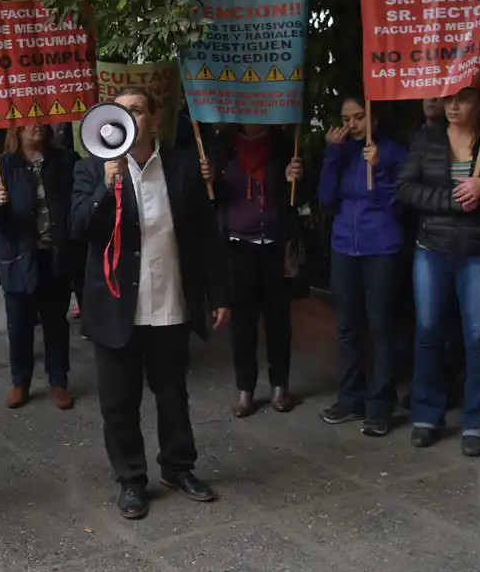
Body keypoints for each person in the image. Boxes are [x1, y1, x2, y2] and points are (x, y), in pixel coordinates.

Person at [71, 87, 232, 520]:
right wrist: (106, 189)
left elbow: (204, 236)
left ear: (154, 120)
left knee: (172, 394)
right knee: (119, 403)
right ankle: (130, 480)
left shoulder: (180, 167)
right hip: (115, 307)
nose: (129, 118)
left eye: (137, 110)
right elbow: (79, 227)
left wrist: (217, 293)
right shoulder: (89, 168)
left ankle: (178, 467)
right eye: (120, 112)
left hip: (168, 303)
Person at [396, 87, 480, 457]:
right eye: (447, 99)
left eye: (463, 99)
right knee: (427, 331)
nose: (452, 107)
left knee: (479, 335)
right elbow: (405, 188)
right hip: (431, 248)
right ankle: (427, 413)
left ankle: (476, 421)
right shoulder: (427, 137)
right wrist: (451, 201)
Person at [318, 95, 408, 435]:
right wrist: (332, 154)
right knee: (347, 325)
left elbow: (398, 202)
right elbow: (326, 198)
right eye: (347, 118)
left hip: (381, 246)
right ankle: (350, 397)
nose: (353, 124)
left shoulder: (393, 150)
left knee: (382, 326)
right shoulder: (344, 151)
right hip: (344, 246)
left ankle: (381, 404)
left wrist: (381, 165)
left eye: (359, 117)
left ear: (374, 116)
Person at [202, 122, 303, 417]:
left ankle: (279, 385)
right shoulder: (222, 146)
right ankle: (245, 388)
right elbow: (213, 197)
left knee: (278, 320)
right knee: (243, 322)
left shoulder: (284, 144)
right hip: (237, 246)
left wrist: (291, 179)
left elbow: (299, 197)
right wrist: (207, 179)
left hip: (275, 244)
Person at [0, 121, 78, 409]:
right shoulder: (3, 165)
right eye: (27, 122)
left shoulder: (64, 161)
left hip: (55, 257)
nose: (36, 126)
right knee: (19, 326)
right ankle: (20, 381)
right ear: (16, 130)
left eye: (41, 120)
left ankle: (59, 380)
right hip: (18, 259)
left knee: (56, 323)